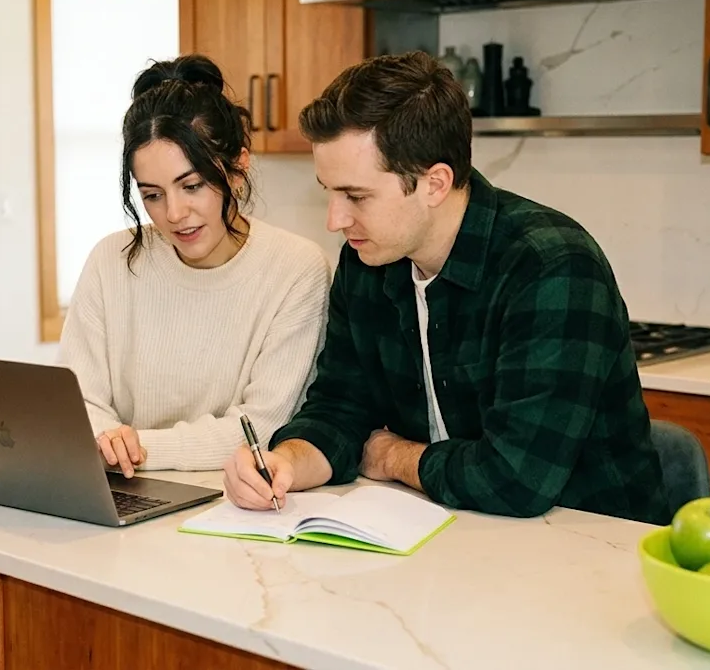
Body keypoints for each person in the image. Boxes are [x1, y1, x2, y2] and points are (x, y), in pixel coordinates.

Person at [221, 51, 671, 525]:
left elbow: (515, 480)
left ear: (435, 183)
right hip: (455, 535)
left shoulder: (551, 267)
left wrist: (393, 456)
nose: (335, 219)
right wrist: (285, 462)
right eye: (328, 192)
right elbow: (339, 406)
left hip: (593, 552)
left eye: (356, 196)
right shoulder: (369, 257)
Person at [57, 53, 331, 477]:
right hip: (118, 488)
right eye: (152, 195)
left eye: (192, 185)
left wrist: (134, 447)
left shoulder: (296, 269)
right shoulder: (110, 261)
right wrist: (108, 443)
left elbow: (260, 428)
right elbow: (76, 402)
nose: (174, 213)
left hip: (230, 502)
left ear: (238, 168)